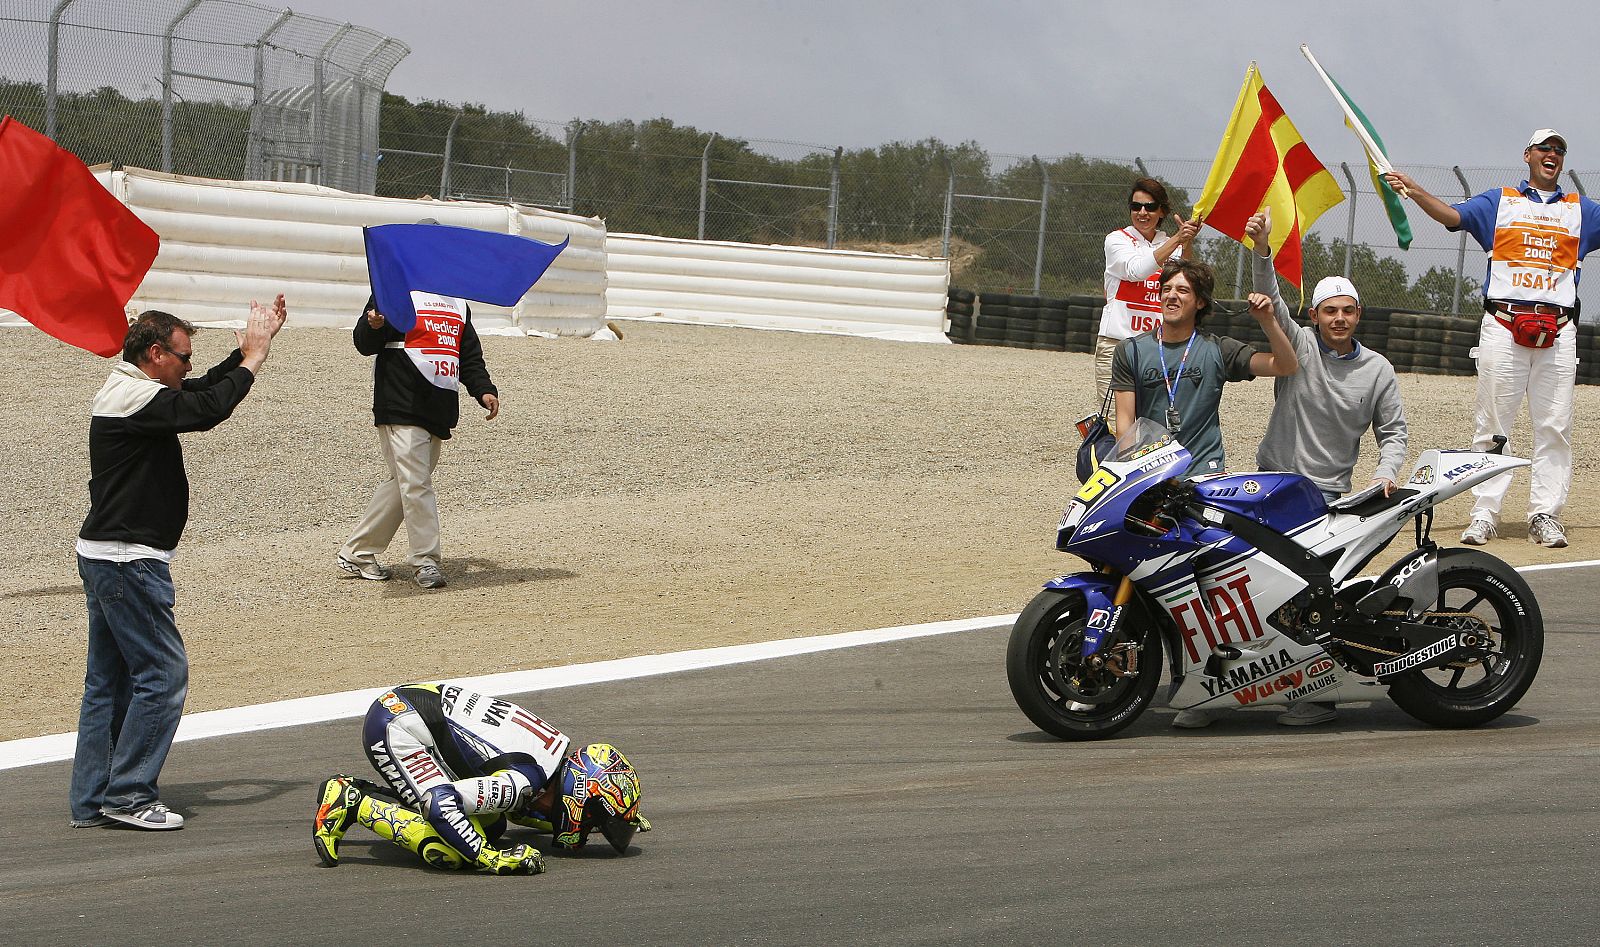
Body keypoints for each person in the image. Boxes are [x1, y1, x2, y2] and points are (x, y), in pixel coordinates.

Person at [1173, 212, 1408, 730]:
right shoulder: (1298, 343)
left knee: (1314, 598)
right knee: (1230, 584)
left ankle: (1318, 695)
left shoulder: (1378, 370)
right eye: (1329, 310)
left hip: (1328, 496)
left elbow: (1394, 435)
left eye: (1347, 311)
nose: (1339, 319)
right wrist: (1261, 248)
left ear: (1358, 315)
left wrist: (1386, 473)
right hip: (1272, 486)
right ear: (1316, 315)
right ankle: (1211, 690)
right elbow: (1270, 301)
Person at [70, 298, 288, 830]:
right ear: (154, 354)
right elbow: (206, 410)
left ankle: (94, 798)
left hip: (108, 556)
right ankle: (128, 796)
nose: (189, 366)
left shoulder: (135, 388)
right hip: (127, 562)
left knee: (109, 682)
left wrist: (243, 354)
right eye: (184, 356)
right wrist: (255, 357)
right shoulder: (133, 397)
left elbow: (197, 392)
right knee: (163, 675)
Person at [1386, 129, 1600, 548]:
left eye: (1559, 150)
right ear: (1528, 155)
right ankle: (1484, 513)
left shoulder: (1582, 211)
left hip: (1558, 332)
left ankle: (1545, 515)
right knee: (1493, 427)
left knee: (1554, 427)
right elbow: (1452, 217)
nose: (1552, 154)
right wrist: (1414, 190)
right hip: (1503, 326)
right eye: (1545, 148)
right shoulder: (1498, 201)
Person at [311, 683, 651, 874]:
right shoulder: (524, 781)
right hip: (398, 727)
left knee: (492, 822)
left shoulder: (552, 757)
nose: (590, 830)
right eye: (593, 820)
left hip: (417, 706)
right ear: (578, 797)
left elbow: (530, 807)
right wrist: (491, 858)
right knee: (454, 848)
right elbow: (442, 803)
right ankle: (351, 802)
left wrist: (617, 813)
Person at [336, 241, 501, 589]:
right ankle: (425, 561)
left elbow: (467, 351)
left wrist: (483, 389)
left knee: (406, 483)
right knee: (416, 483)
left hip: (437, 405)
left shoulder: (457, 301)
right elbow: (364, 342)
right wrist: (376, 324)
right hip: (400, 400)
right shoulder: (392, 290)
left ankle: (358, 551)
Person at [1109, 258, 1299, 476]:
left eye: (1182, 290)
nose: (1171, 296)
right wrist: (1131, 475)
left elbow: (1286, 366)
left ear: (1200, 302)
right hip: (1153, 473)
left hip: (1205, 473)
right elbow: (1125, 427)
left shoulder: (1219, 349)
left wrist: (1267, 321)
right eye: (1166, 289)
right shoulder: (1130, 351)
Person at [1096, 178, 1200, 400]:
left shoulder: (1170, 242)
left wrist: (1187, 242)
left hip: (1158, 346)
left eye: (1150, 207)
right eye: (1136, 206)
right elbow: (1135, 271)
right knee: (1116, 424)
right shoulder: (1117, 240)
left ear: (1161, 211)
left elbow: (1185, 274)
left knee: (1156, 421)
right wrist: (1177, 240)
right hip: (1118, 344)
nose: (1142, 212)